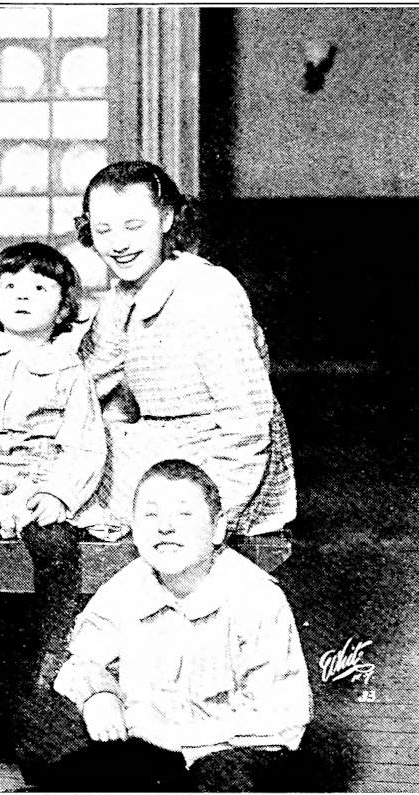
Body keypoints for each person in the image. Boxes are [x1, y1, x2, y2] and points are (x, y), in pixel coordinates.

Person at [17, 459, 312, 792]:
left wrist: (176, 736)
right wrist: (98, 695)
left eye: (184, 514)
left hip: (218, 747)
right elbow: (81, 662)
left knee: (230, 777)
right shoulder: (125, 586)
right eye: (151, 515)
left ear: (217, 528)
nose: (165, 527)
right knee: (41, 721)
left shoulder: (256, 596)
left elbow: (283, 720)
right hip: (144, 746)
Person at [76, 160, 296, 538]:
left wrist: (213, 509)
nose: (118, 244)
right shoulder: (120, 296)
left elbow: (247, 423)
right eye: (103, 229)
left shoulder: (210, 291)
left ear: (166, 220)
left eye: (133, 226)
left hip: (218, 463)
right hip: (154, 446)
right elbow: (86, 381)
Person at [0, 242, 108, 714]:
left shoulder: (69, 370)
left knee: (55, 545)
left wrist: (57, 493)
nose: (22, 296)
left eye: (39, 288)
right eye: (10, 286)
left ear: (62, 308)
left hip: (39, 478)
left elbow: (84, 443)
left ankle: (52, 655)